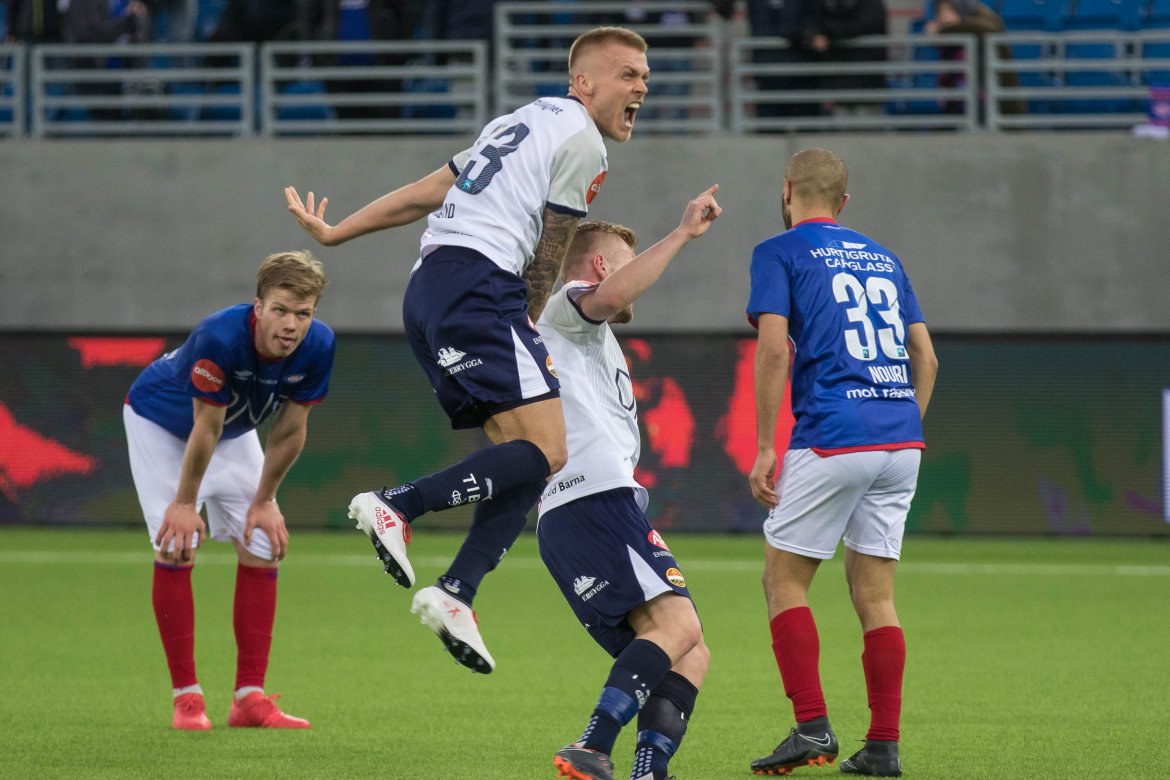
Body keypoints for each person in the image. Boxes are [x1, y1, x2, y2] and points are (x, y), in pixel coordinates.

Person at [284, 26, 651, 675]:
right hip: (482, 286)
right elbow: (553, 246)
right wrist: (530, 322)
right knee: (551, 450)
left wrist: (340, 232)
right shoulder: (583, 142)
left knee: (527, 460)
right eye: (628, 75)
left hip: (430, 290)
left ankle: (457, 591)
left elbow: (430, 190)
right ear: (583, 82)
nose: (642, 87)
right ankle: (399, 505)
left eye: (645, 77)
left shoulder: (517, 123)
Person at [745, 149, 938, 777]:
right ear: (844, 201)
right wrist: (900, 427)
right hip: (900, 439)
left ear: (787, 191)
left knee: (784, 581)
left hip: (833, 433)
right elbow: (927, 359)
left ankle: (812, 726)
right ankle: (883, 746)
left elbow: (775, 349)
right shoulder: (885, 257)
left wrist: (767, 445)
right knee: (876, 596)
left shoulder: (779, 252)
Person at [536, 187, 721, 780]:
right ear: (598, 266)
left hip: (585, 509)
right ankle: (592, 744)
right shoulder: (566, 309)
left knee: (688, 650)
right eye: (625, 261)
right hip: (592, 500)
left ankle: (649, 770)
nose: (636, 277)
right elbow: (612, 294)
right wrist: (682, 233)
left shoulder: (592, 339)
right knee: (679, 627)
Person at [123, 251, 335, 731]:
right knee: (176, 544)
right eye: (280, 310)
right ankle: (187, 699)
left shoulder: (319, 344)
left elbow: (290, 429)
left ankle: (248, 700)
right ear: (257, 306)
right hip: (161, 424)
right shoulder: (219, 336)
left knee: (263, 542)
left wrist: (265, 501)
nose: (291, 324)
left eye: (303, 313)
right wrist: (184, 503)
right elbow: (205, 426)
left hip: (232, 431)